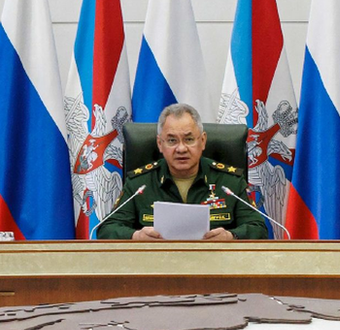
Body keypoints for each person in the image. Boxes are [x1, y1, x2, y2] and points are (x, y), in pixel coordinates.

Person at [97, 103, 268, 240]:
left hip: (215, 271)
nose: (181, 148)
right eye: (172, 140)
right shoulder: (139, 184)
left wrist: (231, 236)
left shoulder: (230, 182)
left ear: (202, 141)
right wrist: (136, 236)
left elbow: (258, 228)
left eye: (189, 139)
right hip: (156, 272)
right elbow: (107, 229)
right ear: (160, 144)